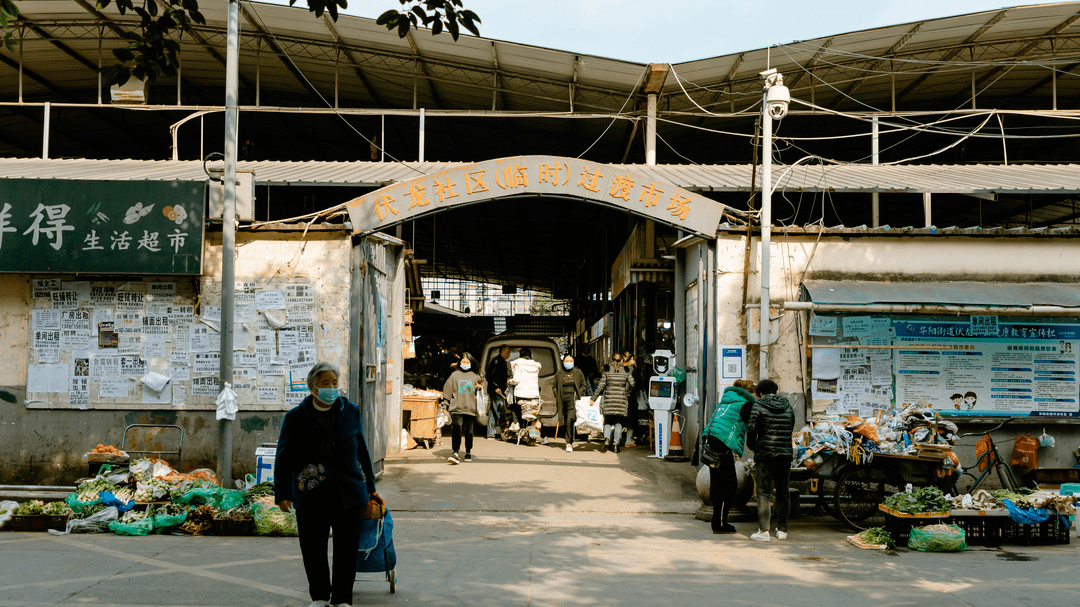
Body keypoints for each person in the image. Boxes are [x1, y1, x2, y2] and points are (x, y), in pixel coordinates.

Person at [274, 361, 384, 607]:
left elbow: (363, 452)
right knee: (313, 549)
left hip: (349, 492)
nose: (332, 388)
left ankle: (343, 599)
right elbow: (283, 456)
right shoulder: (295, 418)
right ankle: (320, 596)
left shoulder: (351, 411)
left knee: (347, 550)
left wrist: (371, 488)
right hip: (311, 493)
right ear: (312, 387)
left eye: (335, 383)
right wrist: (282, 493)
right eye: (326, 384)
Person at [701, 379, 756, 534]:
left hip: (711, 441)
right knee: (729, 485)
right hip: (722, 444)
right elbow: (754, 424)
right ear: (748, 392)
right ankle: (719, 524)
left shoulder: (726, 401)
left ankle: (718, 521)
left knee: (718, 483)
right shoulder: (745, 404)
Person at [746, 379, 794, 542]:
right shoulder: (787, 406)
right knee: (783, 491)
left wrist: (753, 446)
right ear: (775, 390)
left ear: (760, 393)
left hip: (765, 453)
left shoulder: (758, 405)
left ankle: (764, 531)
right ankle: (782, 530)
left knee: (763, 492)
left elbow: (751, 429)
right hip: (785, 453)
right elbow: (791, 427)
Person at [440, 352, 483, 464]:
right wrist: (445, 405)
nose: (465, 363)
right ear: (459, 363)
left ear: (471, 363)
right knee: (457, 429)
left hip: (470, 408)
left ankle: (468, 451)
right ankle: (455, 452)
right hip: (456, 408)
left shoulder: (475, 376)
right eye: (463, 362)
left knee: (469, 432)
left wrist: (479, 388)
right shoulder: (454, 375)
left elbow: (482, 392)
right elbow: (447, 390)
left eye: (467, 362)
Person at [591, 352, 635, 453]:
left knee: (608, 421)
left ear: (612, 359)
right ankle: (616, 445)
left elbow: (601, 385)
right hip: (621, 400)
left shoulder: (607, 369)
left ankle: (606, 439)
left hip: (608, 400)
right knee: (618, 422)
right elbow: (633, 383)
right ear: (622, 360)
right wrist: (627, 394)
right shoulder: (626, 370)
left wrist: (593, 398)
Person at [510, 347, 544, 444]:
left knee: (515, 407)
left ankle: (516, 424)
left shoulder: (518, 364)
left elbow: (516, 380)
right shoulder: (536, 366)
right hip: (533, 394)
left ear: (521, 355)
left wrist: (510, 381)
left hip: (521, 394)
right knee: (533, 410)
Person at [556, 354, 589, 452]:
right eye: (567, 361)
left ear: (573, 362)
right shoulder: (559, 373)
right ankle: (568, 438)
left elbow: (584, 385)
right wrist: (556, 394)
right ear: (563, 362)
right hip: (562, 399)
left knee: (570, 419)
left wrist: (579, 392)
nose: (568, 363)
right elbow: (554, 385)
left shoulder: (578, 372)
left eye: (571, 361)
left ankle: (569, 442)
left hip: (573, 399)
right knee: (565, 419)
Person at [485, 345, 511, 439]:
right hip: (495, 391)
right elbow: (489, 376)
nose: (509, 354)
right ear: (503, 352)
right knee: (500, 410)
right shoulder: (496, 361)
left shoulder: (502, 362)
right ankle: (504, 430)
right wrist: (495, 387)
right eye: (508, 352)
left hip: (499, 391)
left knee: (493, 411)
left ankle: (490, 434)